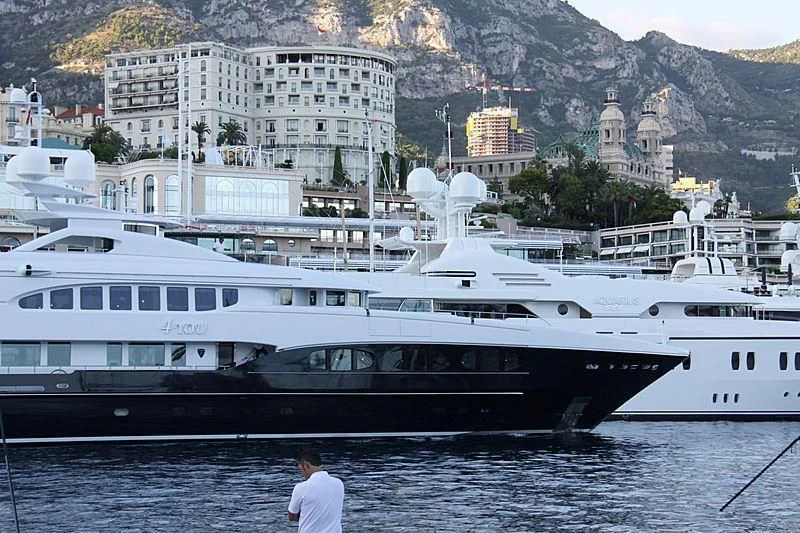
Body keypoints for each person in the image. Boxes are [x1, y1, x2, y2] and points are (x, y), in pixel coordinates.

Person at [288, 449, 344, 533]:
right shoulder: (339, 484)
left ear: (306, 465)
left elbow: (292, 516)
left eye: (301, 470)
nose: (302, 474)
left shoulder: (301, 488)